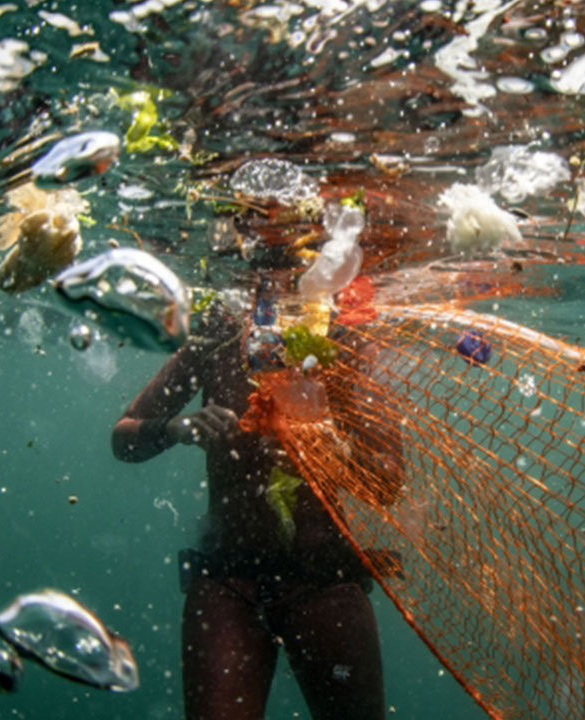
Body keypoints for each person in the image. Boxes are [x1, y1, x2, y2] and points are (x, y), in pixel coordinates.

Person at [111, 274, 385, 720]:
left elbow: (388, 480)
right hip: (227, 579)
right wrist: (176, 429)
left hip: (324, 578)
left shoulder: (344, 342)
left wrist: (327, 447)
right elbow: (123, 440)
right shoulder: (217, 338)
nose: (272, 294)